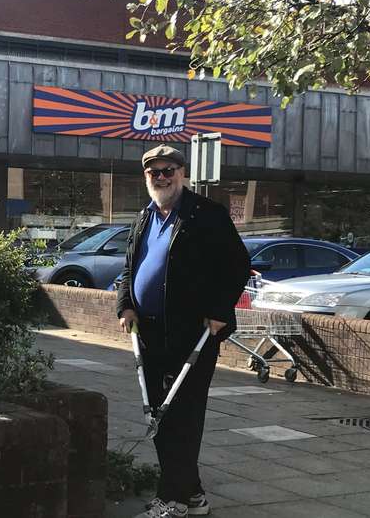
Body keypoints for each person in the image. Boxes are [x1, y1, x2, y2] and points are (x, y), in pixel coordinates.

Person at [117, 144, 250, 518]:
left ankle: (170, 500)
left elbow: (237, 266)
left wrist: (220, 310)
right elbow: (129, 269)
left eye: (168, 170)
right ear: (146, 177)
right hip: (149, 333)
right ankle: (193, 497)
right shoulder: (143, 217)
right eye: (153, 172)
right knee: (159, 415)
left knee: (183, 416)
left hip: (192, 333)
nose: (161, 177)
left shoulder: (206, 215)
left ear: (181, 172)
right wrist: (125, 304)